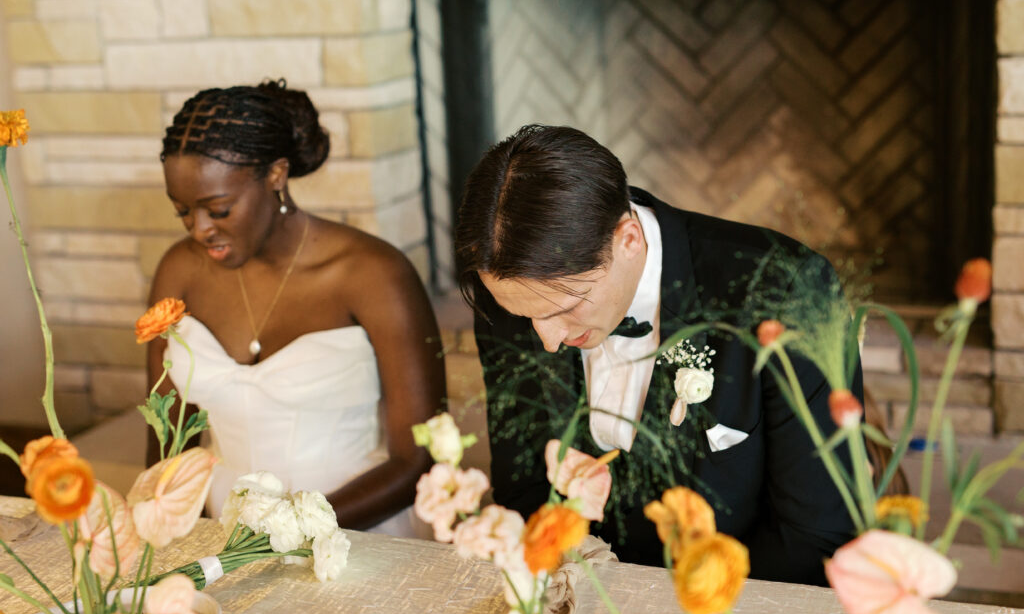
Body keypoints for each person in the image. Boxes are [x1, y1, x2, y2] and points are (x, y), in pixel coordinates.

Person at [455, 124, 861, 585]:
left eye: (567, 308)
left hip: (727, 613)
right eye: (527, 316)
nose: (546, 341)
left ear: (628, 239)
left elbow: (814, 536)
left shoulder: (782, 287)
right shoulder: (511, 285)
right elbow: (521, 482)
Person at [146, 80, 446, 534]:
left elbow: (417, 459)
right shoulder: (179, 273)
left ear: (275, 175)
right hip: (222, 529)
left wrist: (293, 535)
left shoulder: (374, 274)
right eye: (182, 211)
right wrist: (160, 528)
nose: (199, 229)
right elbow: (167, 444)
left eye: (219, 209)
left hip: (358, 529)